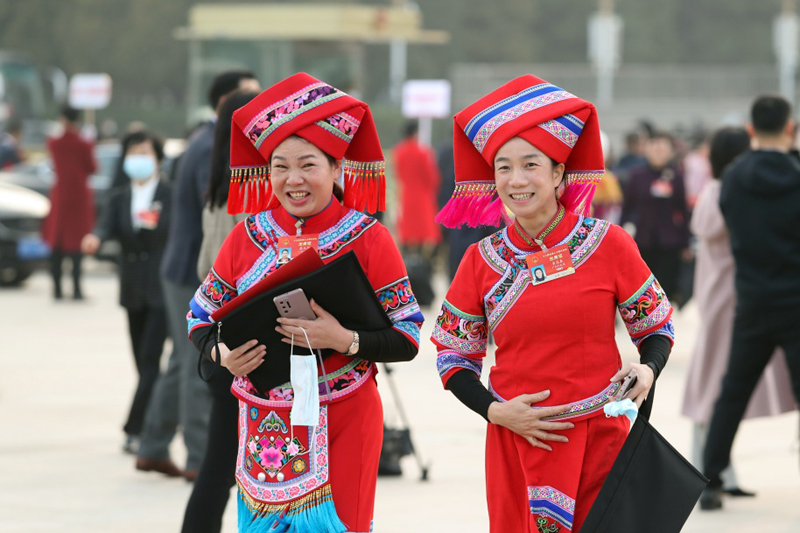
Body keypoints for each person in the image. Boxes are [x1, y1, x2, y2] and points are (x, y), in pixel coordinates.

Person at [432, 74, 675, 533]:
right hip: (516, 443)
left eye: (530, 165)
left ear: (560, 172)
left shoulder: (609, 244)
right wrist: (494, 411)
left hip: (599, 442)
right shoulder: (479, 259)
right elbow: (452, 357)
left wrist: (647, 369)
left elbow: (656, 328)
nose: (515, 180)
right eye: (503, 167)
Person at [187, 73, 424, 533]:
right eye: (280, 166)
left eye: (308, 165)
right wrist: (223, 355)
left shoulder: (369, 238)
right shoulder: (247, 236)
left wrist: (344, 339)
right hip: (265, 422)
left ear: (337, 169)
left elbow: (408, 336)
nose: (293, 180)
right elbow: (199, 317)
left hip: (347, 415)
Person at [136, 70, 260, 480]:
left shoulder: (210, 143)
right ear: (228, 102)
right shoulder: (214, 148)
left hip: (191, 267)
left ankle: (152, 445)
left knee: (180, 362)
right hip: (196, 273)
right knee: (197, 361)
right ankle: (196, 455)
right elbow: (218, 225)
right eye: (252, 96)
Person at [681, 126, 797, 501]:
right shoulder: (722, 190)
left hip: (736, 298)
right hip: (724, 301)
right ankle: (705, 472)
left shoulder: (732, 187)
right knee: (715, 389)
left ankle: (723, 472)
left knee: (725, 391)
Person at [182, 89, 257, 533]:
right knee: (223, 466)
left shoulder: (220, 186)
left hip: (222, 341)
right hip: (240, 345)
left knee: (219, 463)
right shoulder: (248, 196)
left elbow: (201, 266)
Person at [80, 130, 171, 457]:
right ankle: (156, 419)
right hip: (132, 290)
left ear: (158, 159)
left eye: (145, 153)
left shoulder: (169, 194)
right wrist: (95, 238)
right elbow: (106, 226)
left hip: (163, 290)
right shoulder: (119, 197)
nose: (138, 160)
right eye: (133, 154)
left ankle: (135, 429)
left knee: (149, 361)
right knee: (143, 365)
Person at [621, 131, 691, 304]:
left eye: (663, 148)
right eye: (655, 147)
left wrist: (686, 242)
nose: (659, 151)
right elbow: (627, 207)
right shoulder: (637, 176)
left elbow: (683, 210)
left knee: (666, 288)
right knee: (643, 288)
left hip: (669, 241)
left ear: (670, 151)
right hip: (642, 240)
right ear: (646, 149)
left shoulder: (676, 176)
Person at [42, 105, 96, 300]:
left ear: (62, 119)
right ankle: (77, 289)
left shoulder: (54, 142)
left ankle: (56, 289)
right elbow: (92, 167)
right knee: (77, 244)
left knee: (57, 242)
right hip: (79, 196)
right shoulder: (85, 143)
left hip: (60, 195)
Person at [392, 121, 442, 307]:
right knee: (424, 241)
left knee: (407, 240)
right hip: (422, 200)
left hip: (406, 198)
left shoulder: (398, 152)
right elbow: (433, 178)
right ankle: (423, 278)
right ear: (416, 132)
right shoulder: (423, 152)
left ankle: (407, 279)